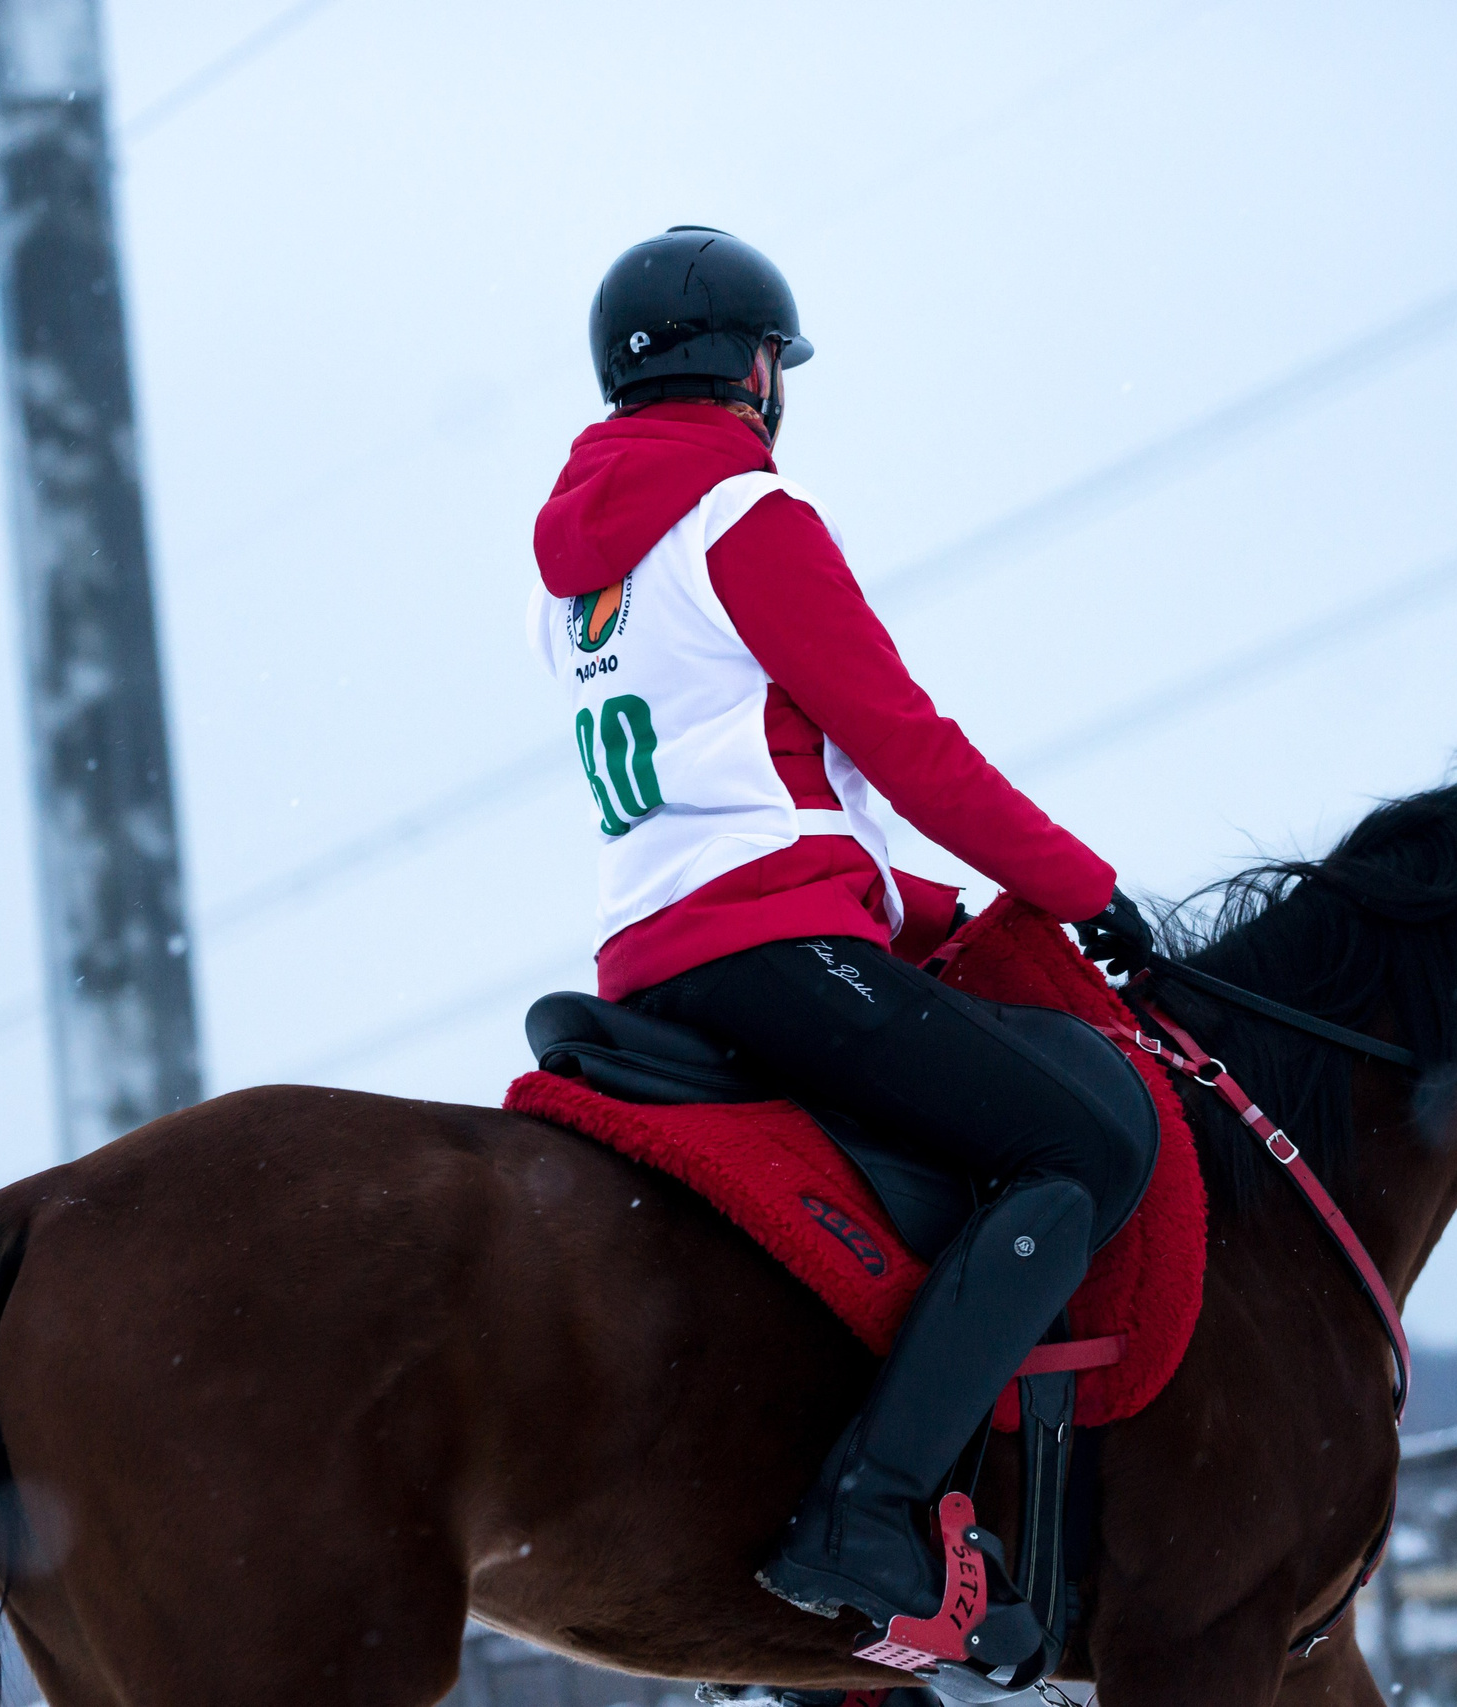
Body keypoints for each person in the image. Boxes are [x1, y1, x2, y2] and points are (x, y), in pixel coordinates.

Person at [527, 226, 1161, 1643]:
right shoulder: (748, 519)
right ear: (756, 371)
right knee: (1084, 1142)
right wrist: (1081, 886)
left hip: (656, 957)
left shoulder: (572, 585)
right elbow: (908, 748)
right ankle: (871, 1511)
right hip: (765, 957)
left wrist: (924, 910)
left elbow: (753, 786)